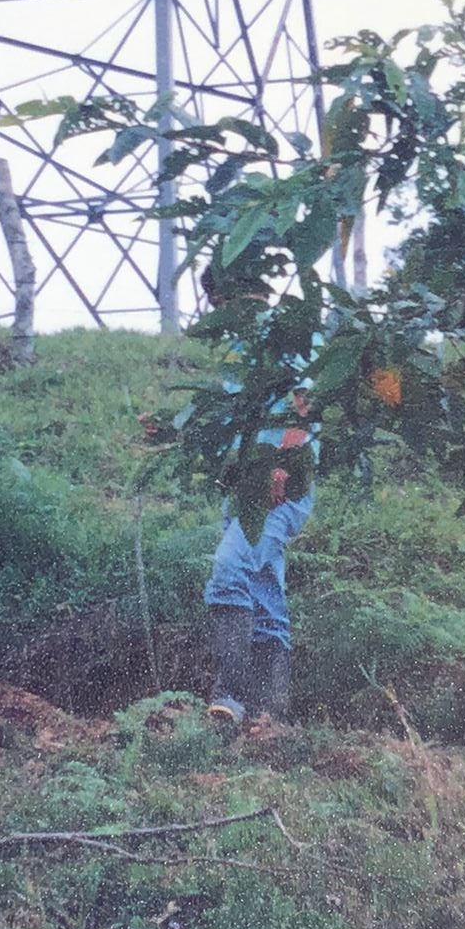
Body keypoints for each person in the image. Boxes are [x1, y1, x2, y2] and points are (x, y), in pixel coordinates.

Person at [198, 263, 319, 727]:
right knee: (266, 596)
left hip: (276, 488)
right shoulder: (241, 353)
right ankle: (270, 716)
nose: (222, 313)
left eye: (224, 304)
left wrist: (282, 467)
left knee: (229, 572)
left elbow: (306, 407)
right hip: (243, 490)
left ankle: (229, 697)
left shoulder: (288, 337)